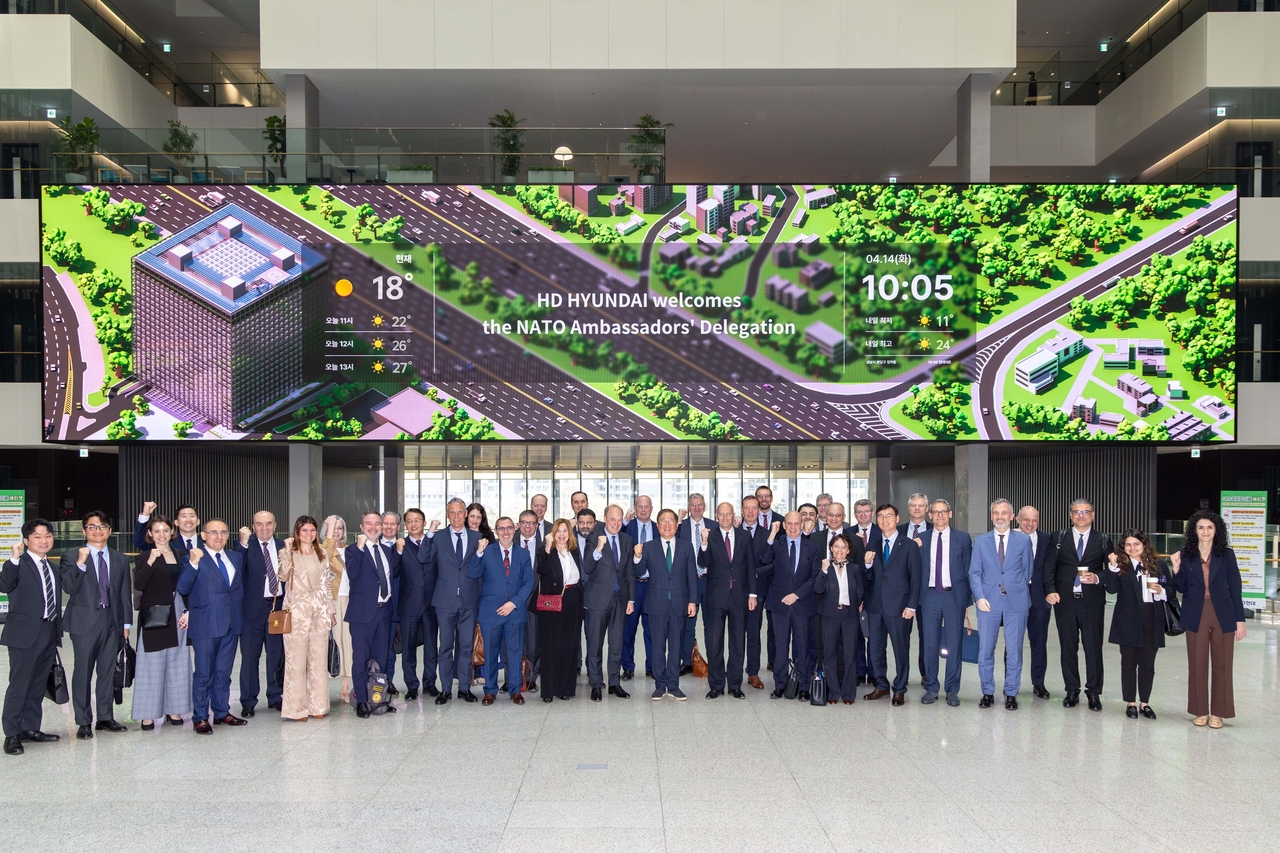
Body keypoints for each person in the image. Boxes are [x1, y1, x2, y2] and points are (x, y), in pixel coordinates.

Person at [1168, 510, 1246, 729]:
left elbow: (1236, 588)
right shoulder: (1186, 554)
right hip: (1195, 612)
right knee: (1197, 663)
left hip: (1223, 612)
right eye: (1201, 527)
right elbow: (1181, 588)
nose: (1205, 531)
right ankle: (1200, 710)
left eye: (1210, 527)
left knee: (1222, 664)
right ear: (1194, 530)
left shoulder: (1227, 555)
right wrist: (1176, 568)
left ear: (1216, 530)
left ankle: (1219, 713)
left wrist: (1240, 620)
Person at [61, 511, 132, 739]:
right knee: (83, 672)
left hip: (112, 621)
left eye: (102, 526)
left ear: (110, 531)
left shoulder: (120, 559)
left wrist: (126, 624)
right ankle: (83, 722)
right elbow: (68, 587)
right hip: (84, 623)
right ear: (84, 531)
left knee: (107, 671)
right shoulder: (71, 557)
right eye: (92, 527)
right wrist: (81, 563)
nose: (97, 531)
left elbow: (124, 594)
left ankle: (105, 717)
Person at [178, 519, 247, 734]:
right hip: (206, 624)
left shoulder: (235, 557)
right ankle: (200, 717)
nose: (219, 536)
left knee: (223, 673)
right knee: (203, 674)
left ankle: (221, 712)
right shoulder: (193, 557)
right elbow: (183, 588)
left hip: (231, 624)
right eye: (213, 532)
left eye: (223, 532)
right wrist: (193, 563)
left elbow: (237, 589)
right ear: (203, 535)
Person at [1, 519, 63, 756]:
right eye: (37, 536)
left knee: (38, 685)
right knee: (20, 685)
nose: (44, 540)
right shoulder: (19, 564)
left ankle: (29, 728)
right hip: (24, 635)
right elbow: (4, 585)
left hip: (48, 632)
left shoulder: (53, 568)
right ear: (26, 540)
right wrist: (13, 559)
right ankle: (12, 734)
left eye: (47, 535)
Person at [1045, 499, 1112, 711]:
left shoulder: (1103, 540)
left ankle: (1094, 692)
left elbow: (1111, 571)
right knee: (1068, 647)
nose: (1081, 515)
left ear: (1093, 515)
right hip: (1065, 601)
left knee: (1093, 648)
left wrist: (1098, 577)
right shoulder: (1058, 537)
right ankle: (1071, 689)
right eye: (1077, 512)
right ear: (1070, 515)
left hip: (1092, 601)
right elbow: (1049, 568)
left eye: (1085, 512)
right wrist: (1050, 590)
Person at [968, 499, 1033, 711]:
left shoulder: (1023, 541)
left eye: (1004, 513)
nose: (1000, 516)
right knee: (985, 649)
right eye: (996, 513)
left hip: (1016, 602)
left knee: (1014, 650)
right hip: (988, 602)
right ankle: (987, 692)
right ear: (991, 516)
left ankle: (1011, 693)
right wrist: (979, 596)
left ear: (1012, 516)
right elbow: (974, 573)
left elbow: (1028, 570)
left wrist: (1014, 587)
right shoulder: (980, 541)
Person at [131, 515, 191, 730]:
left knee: (177, 662)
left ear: (171, 531)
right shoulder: (144, 556)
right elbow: (139, 583)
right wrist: (150, 561)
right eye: (156, 531)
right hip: (154, 614)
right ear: (150, 533)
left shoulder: (180, 555)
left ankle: (174, 709)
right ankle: (148, 714)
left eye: (165, 530)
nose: (162, 535)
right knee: (151, 664)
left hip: (178, 611)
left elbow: (188, 584)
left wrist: (188, 611)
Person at [1103, 530, 1169, 720]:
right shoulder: (1120, 566)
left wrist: (1161, 591)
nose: (1132, 548)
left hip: (1152, 618)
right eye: (1128, 544)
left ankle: (1145, 703)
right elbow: (1111, 589)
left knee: (1148, 664)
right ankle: (1130, 703)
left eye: (1136, 544)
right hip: (1128, 619)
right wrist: (1112, 568)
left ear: (1144, 544)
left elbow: (1171, 589)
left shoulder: (1159, 565)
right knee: (1128, 663)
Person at [277, 516, 336, 721]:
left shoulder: (321, 554)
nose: (308, 534)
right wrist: (286, 552)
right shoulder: (289, 553)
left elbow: (326, 584)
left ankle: (318, 706)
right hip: (296, 613)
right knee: (296, 662)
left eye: (312, 530)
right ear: (297, 532)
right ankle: (296, 709)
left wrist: (330, 610)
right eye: (304, 531)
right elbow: (282, 576)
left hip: (319, 612)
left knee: (318, 661)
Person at [470, 516, 534, 705]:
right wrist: (478, 552)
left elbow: (528, 582)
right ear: (496, 531)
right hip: (491, 612)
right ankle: (490, 690)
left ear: (515, 529)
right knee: (490, 653)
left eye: (509, 528)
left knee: (515, 652)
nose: (505, 532)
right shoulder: (487, 552)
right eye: (501, 528)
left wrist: (513, 603)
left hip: (514, 612)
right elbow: (473, 573)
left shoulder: (523, 554)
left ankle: (515, 690)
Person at [344, 511, 402, 717]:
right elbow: (352, 574)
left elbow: (392, 574)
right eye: (368, 523)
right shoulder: (353, 550)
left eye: (377, 523)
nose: (373, 527)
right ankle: (361, 700)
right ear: (361, 527)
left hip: (384, 612)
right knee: (361, 660)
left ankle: (378, 700)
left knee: (381, 659)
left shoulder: (386, 550)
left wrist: (399, 553)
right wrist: (360, 548)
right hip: (362, 615)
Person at [637, 509, 698, 701]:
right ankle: (659, 685)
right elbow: (639, 571)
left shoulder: (686, 546)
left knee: (676, 646)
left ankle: (673, 685)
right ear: (657, 526)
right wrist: (637, 557)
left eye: (671, 521)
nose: (667, 525)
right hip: (656, 604)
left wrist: (693, 601)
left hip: (680, 603)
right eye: (663, 521)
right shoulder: (648, 547)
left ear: (677, 525)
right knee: (657, 647)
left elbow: (692, 576)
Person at [863, 504, 920, 705]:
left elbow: (915, 578)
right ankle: (881, 685)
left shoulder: (909, 545)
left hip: (899, 606)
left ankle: (900, 688)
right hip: (876, 606)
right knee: (875, 649)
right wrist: (868, 565)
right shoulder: (873, 543)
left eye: (888, 516)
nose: (884, 519)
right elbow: (868, 578)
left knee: (900, 649)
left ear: (897, 518)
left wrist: (911, 606)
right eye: (880, 516)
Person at [916, 499, 972, 707]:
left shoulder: (963, 538)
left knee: (954, 644)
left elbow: (968, 570)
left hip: (953, 597)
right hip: (929, 596)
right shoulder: (921, 539)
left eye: (943, 511)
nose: (939, 515)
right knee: (930, 644)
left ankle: (952, 689)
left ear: (950, 514)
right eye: (936, 512)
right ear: (930, 515)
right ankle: (931, 687)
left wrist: (966, 601)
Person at [759, 511, 819, 701]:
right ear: (784, 525)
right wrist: (771, 535)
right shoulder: (777, 544)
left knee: (803, 647)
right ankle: (780, 685)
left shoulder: (812, 547)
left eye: (796, 523)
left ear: (802, 525)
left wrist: (797, 594)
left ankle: (804, 686)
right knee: (780, 646)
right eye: (789, 524)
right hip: (780, 604)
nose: (793, 528)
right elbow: (764, 559)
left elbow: (815, 575)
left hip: (802, 603)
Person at [700, 502, 757, 699]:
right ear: (716, 516)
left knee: (738, 643)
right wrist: (704, 543)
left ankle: (734, 684)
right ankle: (716, 685)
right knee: (714, 643)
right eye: (721, 514)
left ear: (734, 515)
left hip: (739, 597)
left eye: (728, 514)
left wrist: (752, 594)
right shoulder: (710, 536)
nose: (725, 518)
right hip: (716, 597)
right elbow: (703, 562)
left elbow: (750, 566)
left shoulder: (744, 536)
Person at [232, 511, 286, 717]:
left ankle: (275, 696)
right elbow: (237, 569)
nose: (264, 528)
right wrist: (242, 543)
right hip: (252, 611)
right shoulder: (245, 546)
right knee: (249, 658)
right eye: (259, 524)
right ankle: (248, 700)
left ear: (275, 525)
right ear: (253, 526)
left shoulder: (283, 545)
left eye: (268, 523)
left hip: (277, 608)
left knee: (276, 655)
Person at [429, 499, 481, 705]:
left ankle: (465, 688)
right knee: (445, 647)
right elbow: (424, 557)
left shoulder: (477, 537)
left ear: (466, 514)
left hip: (469, 600)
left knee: (467, 646)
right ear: (447, 514)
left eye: (460, 512)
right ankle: (445, 689)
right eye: (452, 512)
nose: (457, 516)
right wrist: (429, 533)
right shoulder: (438, 537)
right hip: (445, 600)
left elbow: (481, 568)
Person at [584, 506, 636, 701]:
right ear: (604, 519)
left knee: (616, 644)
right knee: (595, 645)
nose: (616, 523)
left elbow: (629, 572)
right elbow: (588, 567)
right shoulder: (593, 538)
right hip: (598, 600)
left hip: (620, 600)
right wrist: (598, 548)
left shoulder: (627, 540)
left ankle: (614, 683)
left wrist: (631, 599)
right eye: (612, 519)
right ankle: (596, 684)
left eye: (619, 519)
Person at [534, 519, 585, 702]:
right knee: (550, 647)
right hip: (552, 603)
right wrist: (548, 547)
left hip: (573, 600)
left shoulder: (574, 551)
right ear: (552, 534)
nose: (562, 535)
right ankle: (548, 691)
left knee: (569, 646)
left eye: (565, 531)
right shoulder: (544, 551)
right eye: (558, 531)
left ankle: (565, 688)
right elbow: (543, 570)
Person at [814, 533, 863, 704]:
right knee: (829, 654)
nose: (840, 550)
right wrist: (823, 570)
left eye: (844, 547)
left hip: (850, 616)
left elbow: (860, 591)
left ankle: (848, 693)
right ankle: (833, 692)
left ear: (848, 550)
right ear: (831, 548)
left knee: (850, 654)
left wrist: (857, 604)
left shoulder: (855, 569)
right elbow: (818, 589)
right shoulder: (825, 567)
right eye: (836, 546)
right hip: (829, 615)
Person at [400, 509, 441, 700]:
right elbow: (394, 571)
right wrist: (397, 552)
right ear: (405, 525)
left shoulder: (434, 543)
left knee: (431, 647)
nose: (413, 524)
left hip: (431, 603)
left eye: (417, 520)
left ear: (424, 523)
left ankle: (430, 683)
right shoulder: (401, 545)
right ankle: (411, 685)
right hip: (409, 604)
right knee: (408, 648)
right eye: (409, 521)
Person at [1017, 505, 1054, 700]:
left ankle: (1038, 683)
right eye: (1026, 520)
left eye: (1034, 521)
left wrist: (1051, 591)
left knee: (1039, 643)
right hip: (1015, 599)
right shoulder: (1010, 538)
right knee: (1013, 643)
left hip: (1040, 598)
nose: (1030, 524)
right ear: (1018, 520)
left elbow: (1051, 569)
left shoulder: (1048, 540)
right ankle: (1011, 682)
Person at [622, 495, 657, 681]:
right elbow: (614, 535)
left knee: (652, 630)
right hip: (632, 586)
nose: (643, 510)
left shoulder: (659, 528)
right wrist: (624, 521)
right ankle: (627, 667)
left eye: (646, 506)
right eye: (640, 506)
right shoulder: (627, 527)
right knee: (628, 630)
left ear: (651, 508)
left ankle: (652, 667)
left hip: (652, 586)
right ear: (635, 508)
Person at [739, 495, 770, 690]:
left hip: (757, 591)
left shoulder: (768, 534)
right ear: (742, 510)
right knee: (735, 633)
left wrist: (753, 573)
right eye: (747, 508)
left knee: (753, 633)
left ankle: (753, 672)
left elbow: (773, 562)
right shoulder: (733, 532)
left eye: (753, 508)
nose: (750, 512)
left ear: (759, 510)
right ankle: (734, 670)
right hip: (734, 591)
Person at [320, 516, 352, 702]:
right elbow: (326, 554)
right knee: (331, 643)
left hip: (350, 600)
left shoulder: (350, 549)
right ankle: (321, 689)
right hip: (332, 600)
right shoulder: (322, 549)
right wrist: (330, 529)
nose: (337, 531)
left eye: (340, 528)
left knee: (348, 643)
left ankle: (345, 688)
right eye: (333, 528)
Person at [900, 492, 930, 684]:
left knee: (927, 636)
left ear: (926, 509)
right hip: (903, 594)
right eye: (913, 505)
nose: (917, 508)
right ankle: (902, 676)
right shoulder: (898, 530)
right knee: (902, 637)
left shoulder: (936, 530)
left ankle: (926, 673)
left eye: (920, 505)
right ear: (908, 508)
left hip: (927, 593)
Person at [850, 498, 881, 684]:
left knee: (876, 635)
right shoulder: (847, 533)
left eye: (866, 511)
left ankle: (875, 673)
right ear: (855, 514)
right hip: (855, 591)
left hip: (877, 591)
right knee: (857, 634)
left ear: (872, 513)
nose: (863, 515)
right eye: (859, 512)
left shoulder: (881, 531)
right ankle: (859, 671)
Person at [678, 493, 710, 675]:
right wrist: (678, 520)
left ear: (704, 506)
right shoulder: (681, 527)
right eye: (693, 505)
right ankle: (686, 661)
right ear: (689, 507)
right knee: (688, 623)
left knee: (711, 625)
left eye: (699, 504)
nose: (696, 508)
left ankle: (714, 661)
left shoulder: (714, 525)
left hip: (709, 581)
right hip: (688, 581)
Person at [516, 510, 543, 690]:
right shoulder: (508, 543)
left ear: (537, 525)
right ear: (518, 524)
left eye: (532, 523)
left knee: (534, 642)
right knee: (512, 641)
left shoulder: (544, 547)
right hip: (512, 601)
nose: (528, 526)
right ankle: (513, 678)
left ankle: (531, 678)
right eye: (524, 522)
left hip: (535, 600)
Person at [755, 485, 779, 671]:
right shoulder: (747, 522)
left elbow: (783, 554)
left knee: (774, 626)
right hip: (754, 583)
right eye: (760, 496)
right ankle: (753, 666)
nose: (763, 499)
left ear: (771, 498)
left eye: (766, 496)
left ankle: (774, 660)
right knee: (753, 626)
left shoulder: (782, 521)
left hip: (775, 580)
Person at [379, 512, 403, 693]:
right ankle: (375, 680)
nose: (388, 527)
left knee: (390, 650)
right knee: (377, 647)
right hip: (376, 607)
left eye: (392, 524)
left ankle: (388, 680)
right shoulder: (373, 546)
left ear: (398, 527)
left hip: (396, 606)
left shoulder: (404, 547)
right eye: (385, 524)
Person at [135, 501, 200, 560]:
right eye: (184, 516)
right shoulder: (166, 540)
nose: (188, 520)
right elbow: (140, 543)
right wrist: (145, 514)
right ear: (176, 522)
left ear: (198, 521)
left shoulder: (205, 540)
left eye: (192, 516)